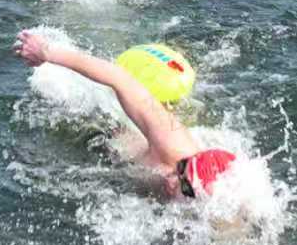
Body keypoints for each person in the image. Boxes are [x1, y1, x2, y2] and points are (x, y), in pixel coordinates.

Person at [13, 30, 237, 200]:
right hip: (114, 132)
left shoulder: (216, 209)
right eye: (181, 169)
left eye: (185, 189)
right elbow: (119, 78)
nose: (173, 182)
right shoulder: (173, 144)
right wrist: (47, 52)